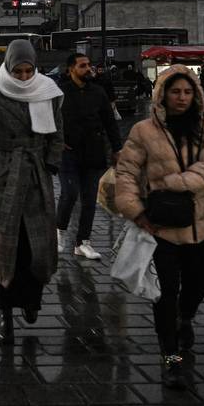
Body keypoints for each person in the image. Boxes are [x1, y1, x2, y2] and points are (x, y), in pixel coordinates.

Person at [114, 66, 204, 389]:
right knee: (165, 294)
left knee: (198, 285)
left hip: (200, 225)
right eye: (175, 92)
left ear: (196, 96)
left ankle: (185, 317)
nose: (181, 98)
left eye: (188, 92)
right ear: (163, 94)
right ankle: (171, 358)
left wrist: (173, 183)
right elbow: (126, 173)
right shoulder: (143, 131)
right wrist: (134, 210)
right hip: (160, 227)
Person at [0, 40, 63, 345]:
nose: (23, 77)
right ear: (8, 68)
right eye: (18, 71)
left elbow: (58, 133)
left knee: (37, 246)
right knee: (5, 248)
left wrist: (50, 162)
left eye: (28, 71)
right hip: (4, 177)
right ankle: (5, 314)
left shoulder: (47, 92)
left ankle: (32, 300)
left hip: (35, 176)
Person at [55, 53, 123, 259]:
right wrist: (55, 141)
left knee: (89, 199)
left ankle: (83, 242)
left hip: (93, 152)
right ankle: (60, 235)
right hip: (67, 153)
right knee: (69, 193)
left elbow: (110, 121)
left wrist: (117, 148)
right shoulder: (60, 92)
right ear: (71, 69)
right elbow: (48, 119)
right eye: (82, 66)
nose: (88, 69)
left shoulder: (98, 92)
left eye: (88, 65)